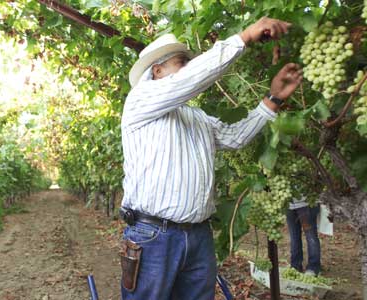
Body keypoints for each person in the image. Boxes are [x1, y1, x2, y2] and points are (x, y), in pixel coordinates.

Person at [120, 17, 303, 299]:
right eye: (182, 62)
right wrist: (244, 37)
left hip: (197, 235)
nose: (189, 68)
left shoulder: (196, 117)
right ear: (157, 71)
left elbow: (235, 137)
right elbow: (192, 80)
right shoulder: (140, 100)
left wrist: (273, 100)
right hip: (153, 236)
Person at [286, 198, 321, 276]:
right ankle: (295, 265)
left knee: (311, 236)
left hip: (306, 204)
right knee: (294, 236)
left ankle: (313, 267)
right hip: (289, 205)